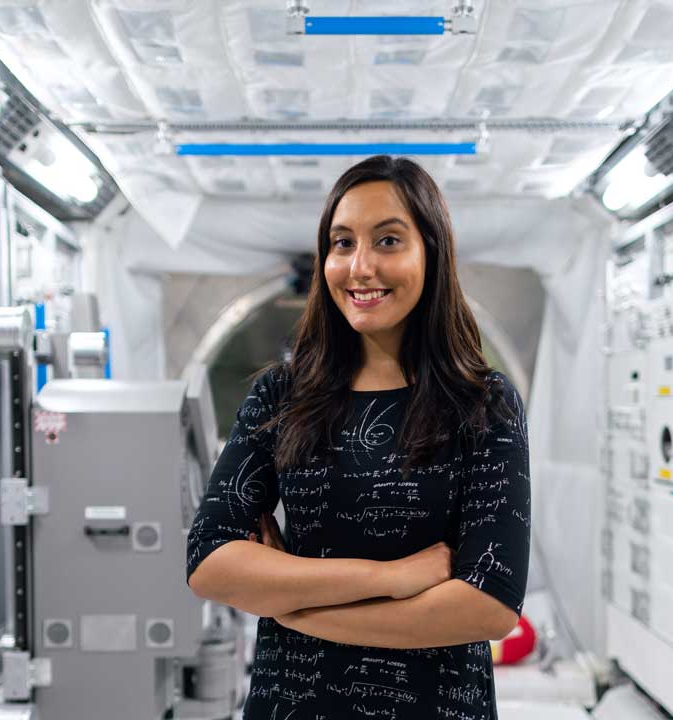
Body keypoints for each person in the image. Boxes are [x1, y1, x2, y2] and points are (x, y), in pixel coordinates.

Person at [186, 154, 531, 720]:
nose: (359, 266)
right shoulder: (281, 394)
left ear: (432, 253)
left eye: (388, 241)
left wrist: (296, 609)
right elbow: (210, 562)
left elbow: (488, 606)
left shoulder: (483, 404)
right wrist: (391, 578)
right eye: (342, 243)